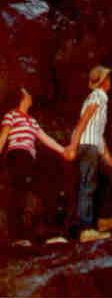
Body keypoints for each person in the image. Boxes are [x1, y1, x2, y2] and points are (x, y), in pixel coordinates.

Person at [0, 88, 68, 247]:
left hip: (29, 157)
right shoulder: (11, 115)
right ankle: (17, 237)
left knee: (42, 189)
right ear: (22, 98)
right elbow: (3, 136)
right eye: (26, 93)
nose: (30, 95)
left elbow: (45, 138)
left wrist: (63, 151)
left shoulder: (32, 120)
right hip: (16, 155)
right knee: (19, 193)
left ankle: (48, 234)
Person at [66, 65, 112, 243]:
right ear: (103, 82)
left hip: (92, 145)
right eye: (108, 78)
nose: (110, 81)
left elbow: (97, 132)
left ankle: (103, 219)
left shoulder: (98, 97)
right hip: (87, 146)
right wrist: (73, 145)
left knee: (109, 174)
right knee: (87, 185)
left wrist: (108, 159)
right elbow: (84, 120)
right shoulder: (99, 95)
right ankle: (85, 229)